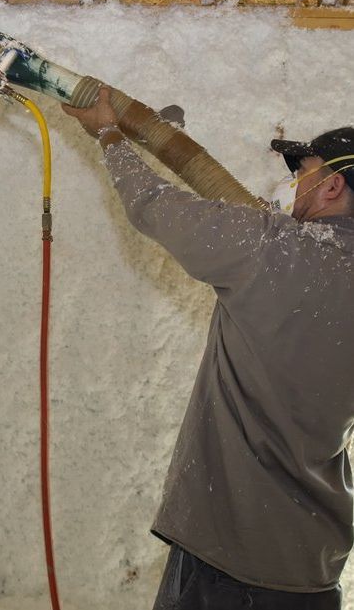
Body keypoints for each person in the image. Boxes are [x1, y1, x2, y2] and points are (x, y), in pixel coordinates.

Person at [62, 87, 354, 610]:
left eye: (301, 174)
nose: (292, 186)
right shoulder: (284, 247)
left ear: (332, 186)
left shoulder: (274, 248)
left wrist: (109, 134)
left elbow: (156, 206)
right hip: (314, 569)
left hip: (230, 561)